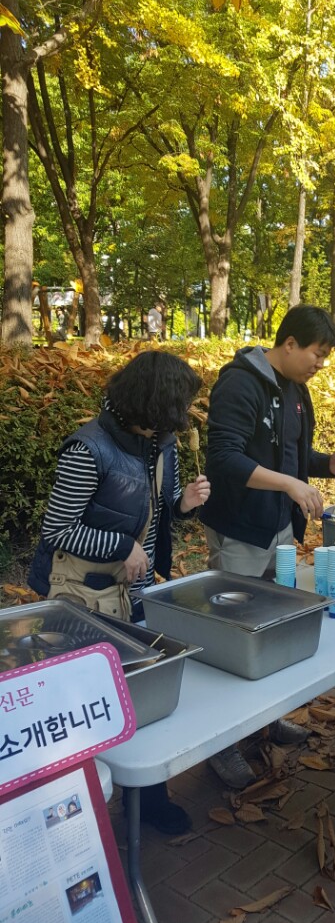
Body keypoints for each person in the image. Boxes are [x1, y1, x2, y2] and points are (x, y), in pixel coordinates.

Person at [28, 351, 211, 835]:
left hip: (135, 592)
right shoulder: (88, 449)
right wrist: (120, 546)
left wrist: (184, 505)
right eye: (172, 414)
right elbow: (57, 530)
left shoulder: (160, 443)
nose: (178, 423)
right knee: (81, 703)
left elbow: (156, 513)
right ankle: (72, 814)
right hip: (82, 596)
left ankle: (146, 800)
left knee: (137, 697)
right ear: (148, 407)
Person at [200, 304, 335, 788]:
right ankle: (220, 745)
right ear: (288, 344)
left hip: (278, 530)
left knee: (272, 631)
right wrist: (288, 485)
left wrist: (326, 464)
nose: (320, 363)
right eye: (317, 353)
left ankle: (263, 724)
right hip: (241, 530)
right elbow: (224, 458)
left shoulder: (297, 390)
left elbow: (292, 457)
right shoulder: (240, 383)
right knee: (233, 637)